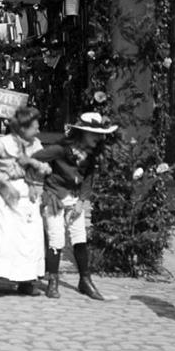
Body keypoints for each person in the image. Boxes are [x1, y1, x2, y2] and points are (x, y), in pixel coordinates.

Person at [32, 112, 117, 300]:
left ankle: (85, 280)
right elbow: (35, 158)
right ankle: (52, 281)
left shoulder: (92, 154)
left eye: (100, 134)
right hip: (54, 197)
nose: (99, 138)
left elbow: (88, 179)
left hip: (74, 198)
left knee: (79, 237)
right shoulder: (60, 149)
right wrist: (40, 173)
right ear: (82, 133)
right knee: (57, 237)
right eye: (94, 134)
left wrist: (81, 201)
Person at [0, 106, 52, 295]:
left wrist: (35, 168)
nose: (38, 130)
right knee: (4, 234)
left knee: (29, 237)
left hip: (29, 195)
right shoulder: (1, 144)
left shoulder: (36, 145)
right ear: (22, 128)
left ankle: (26, 279)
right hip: (6, 195)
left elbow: (47, 168)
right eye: (34, 127)